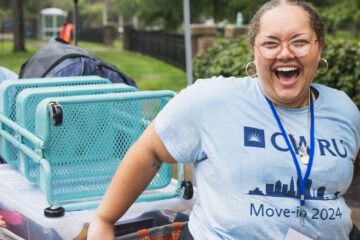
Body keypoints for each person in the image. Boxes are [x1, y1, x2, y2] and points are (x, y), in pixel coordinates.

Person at [87, 0, 360, 239]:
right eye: (270, 43)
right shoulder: (212, 100)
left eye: (300, 41)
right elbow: (148, 151)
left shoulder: (344, 109)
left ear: (319, 47)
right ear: (254, 50)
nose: (285, 52)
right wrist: (104, 221)